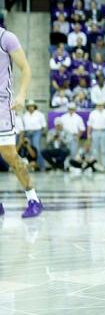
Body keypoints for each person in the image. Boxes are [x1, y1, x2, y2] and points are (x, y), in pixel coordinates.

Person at [0, 27, 42, 217]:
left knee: (10, 155)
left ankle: (33, 199)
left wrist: (22, 95)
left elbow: (25, 68)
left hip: (2, 106)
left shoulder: (6, 38)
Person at [87, 101, 105, 170]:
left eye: (101, 105)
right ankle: (95, 166)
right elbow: (89, 125)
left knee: (104, 150)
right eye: (98, 105)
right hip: (95, 131)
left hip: (104, 132)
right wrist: (89, 134)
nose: (99, 106)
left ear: (103, 105)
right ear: (96, 105)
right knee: (95, 150)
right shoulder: (93, 113)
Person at [21, 101, 46, 172]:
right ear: (27, 107)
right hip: (27, 132)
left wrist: (39, 132)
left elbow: (43, 125)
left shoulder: (40, 114)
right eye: (29, 106)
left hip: (36, 132)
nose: (30, 107)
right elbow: (23, 125)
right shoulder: (25, 115)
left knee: (36, 147)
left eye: (32, 106)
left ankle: (41, 165)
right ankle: (31, 165)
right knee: (28, 148)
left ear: (34, 107)